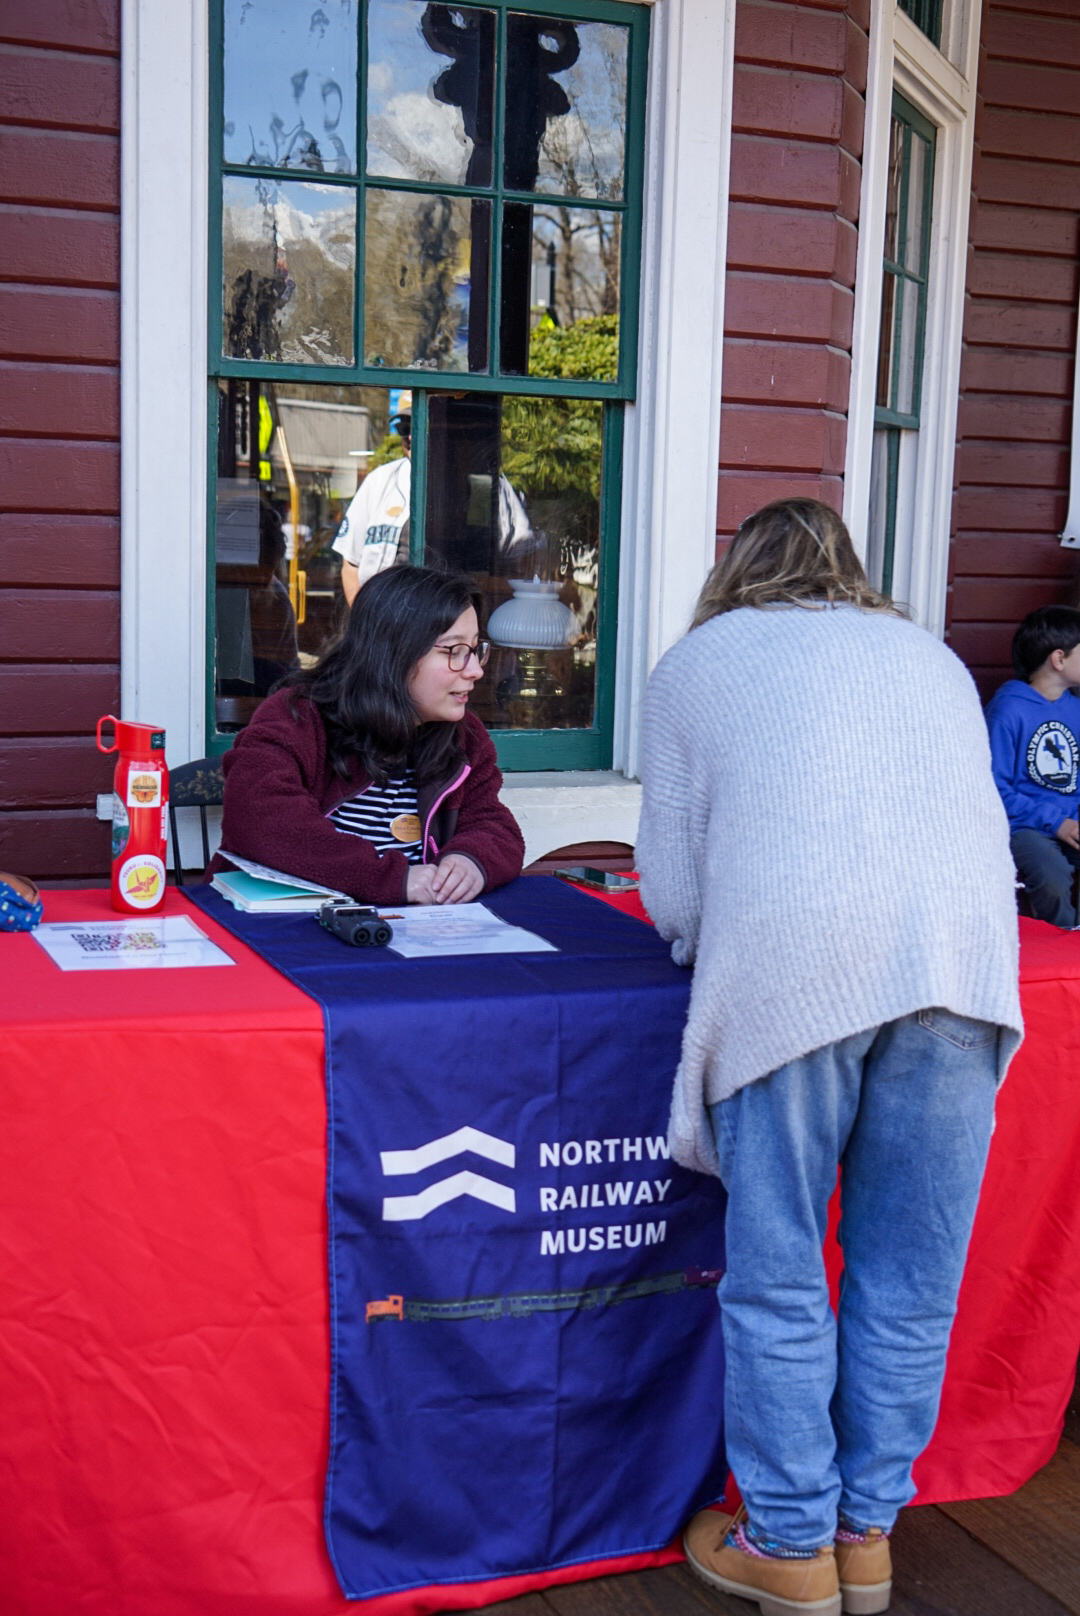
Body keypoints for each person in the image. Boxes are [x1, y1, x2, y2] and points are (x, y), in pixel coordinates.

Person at [635, 499, 1023, 1616]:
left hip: (791, 976)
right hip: (957, 964)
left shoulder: (701, 660)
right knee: (911, 1284)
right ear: (848, 567)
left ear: (737, 569)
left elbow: (675, 888)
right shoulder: (931, 654)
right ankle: (864, 1536)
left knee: (781, 1272)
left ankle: (789, 1541)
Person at [213, 566, 525, 907]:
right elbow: (261, 819)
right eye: (453, 651)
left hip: (409, 933)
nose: (476, 670)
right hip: (282, 926)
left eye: (476, 648)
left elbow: (494, 824)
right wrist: (392, 879)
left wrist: (471, 860)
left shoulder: (464, 738)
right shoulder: (298, 717)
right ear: (394, 653)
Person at [333, 394, 535, 606]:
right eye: (404, 427)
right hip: (383, 621)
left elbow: (524, 558)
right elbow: (351, 564)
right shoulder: (379, 480)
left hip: (451, 621)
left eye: (420, 425)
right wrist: (364, 622)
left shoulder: (489, 483)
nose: (411, 436)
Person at [984, 605, 1080, 928]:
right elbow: (996, 787)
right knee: (1051, 876)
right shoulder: (1009, 710)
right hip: (1026, 825)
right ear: (1059, 659)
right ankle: (1065, 943)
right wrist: (1057, 823)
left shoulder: (1076, 711)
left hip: (1072, 821)